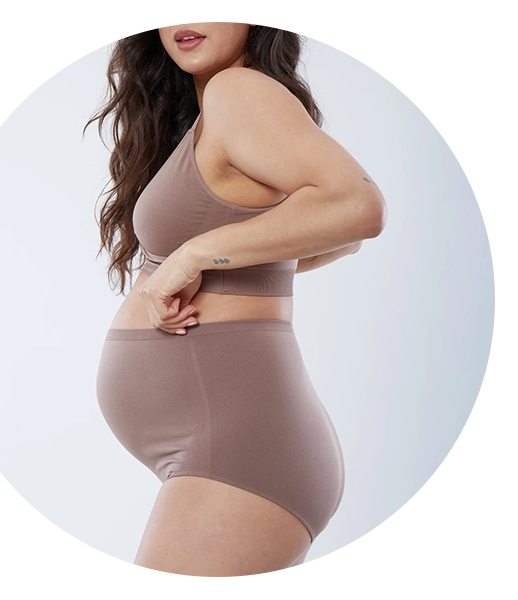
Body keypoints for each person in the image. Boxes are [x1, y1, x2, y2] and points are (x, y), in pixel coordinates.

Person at [85, 22, 387, 577]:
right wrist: (222, 258)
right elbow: (331, 236)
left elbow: (357, 208)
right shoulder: (211, 111)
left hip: (239, 449)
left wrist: (194, 256)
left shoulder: (238, 91)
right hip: (232, 445)